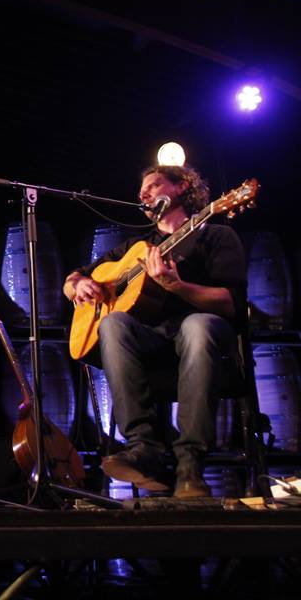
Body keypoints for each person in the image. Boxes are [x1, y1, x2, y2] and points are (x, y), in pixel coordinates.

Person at [63, 165, 246, 497]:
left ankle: (190, 466)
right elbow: (73, 279)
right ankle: (143, 448)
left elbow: (231, 303)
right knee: (113, 322)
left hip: (204, 337)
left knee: (196, 325)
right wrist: (79, 285)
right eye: (141, 189)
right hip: (153, 342)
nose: (143, 194)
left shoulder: (216, 235)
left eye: (154, 185)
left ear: (182, 186)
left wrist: (177, 286)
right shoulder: (136, 247)